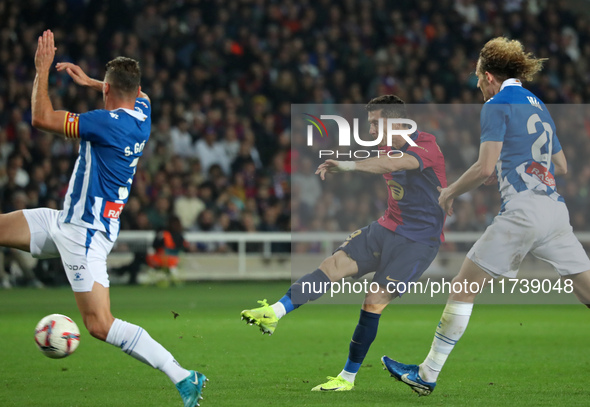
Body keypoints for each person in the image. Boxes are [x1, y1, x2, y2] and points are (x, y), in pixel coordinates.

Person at [0, 30, 206, 407]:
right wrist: (94, 81)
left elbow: (41, 118)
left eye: (103, 89)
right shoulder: (142, 114)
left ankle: (183, 376)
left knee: (99, 324)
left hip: (85, 235)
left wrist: (42, 69)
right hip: (65, 220)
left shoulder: (105, 122)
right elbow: (139, 94)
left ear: (109, 92)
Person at [382, 37, 590, 396]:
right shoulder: (538, 104)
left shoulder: (496, 105)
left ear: (490, 76)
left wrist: (448, 192)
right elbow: (562, 165)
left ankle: (426, 374)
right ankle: (425, 373)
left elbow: (484, 167)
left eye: (477, 78)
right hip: (555, 211)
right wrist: (520, 161)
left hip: (523, 211)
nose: (477, 84)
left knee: (463, 287)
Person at [241, 95, 447, 391]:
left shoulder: (426, 145)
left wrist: (349, 165)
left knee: (372, 301)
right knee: (331, 265)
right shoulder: (383, 145)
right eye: (370, 124)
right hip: (386, 227)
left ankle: (347, 377)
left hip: (418, 242)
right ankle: (275, 312)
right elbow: (383, 162)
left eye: (377, 123)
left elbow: (395, 162)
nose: (372, 130)